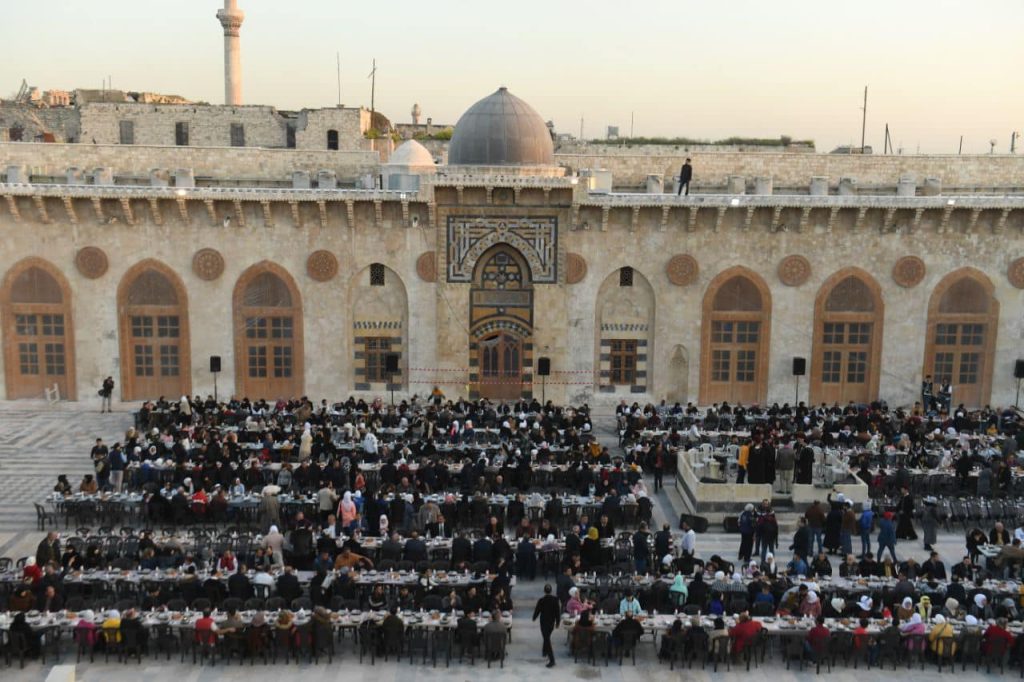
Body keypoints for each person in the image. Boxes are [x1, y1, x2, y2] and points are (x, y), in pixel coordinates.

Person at [532, 583, 560, 668]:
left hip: (543, 622)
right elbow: (557, 612)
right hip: (551, 622)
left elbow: (537, 610)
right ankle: (544, 651)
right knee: (546, 637)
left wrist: (534, 617)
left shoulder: (541, 600)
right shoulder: (555, 600)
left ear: (544, 591)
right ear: (551, 591)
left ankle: (552, 660)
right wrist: (558, 622)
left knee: (546, 639)